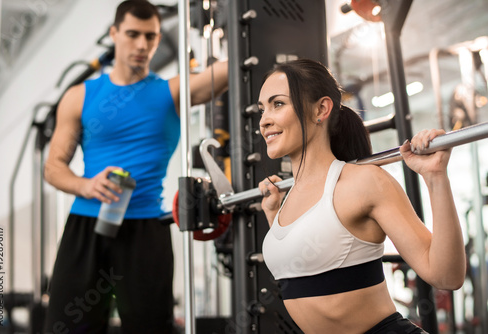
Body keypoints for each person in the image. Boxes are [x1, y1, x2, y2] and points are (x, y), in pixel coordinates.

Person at [43, 1, 228, 333]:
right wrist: (87, 185)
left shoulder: (172, 91)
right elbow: (53, 167)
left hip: (146, 230)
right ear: (114, 33)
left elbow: (233, 67)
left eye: (151, 36)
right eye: (132, 34)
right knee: (69, 326)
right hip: (87, 224)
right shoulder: (79, 96)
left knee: (151, 327)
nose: (142, 45)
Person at [257, 59, 465, 334]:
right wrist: (275, 216)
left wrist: (436, 177)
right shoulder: (287, 200)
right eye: (262, 109)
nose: (264, 120)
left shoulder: (363, 182)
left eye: (278, 104)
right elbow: (306, 265)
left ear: (321, 109)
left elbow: (446, 276)